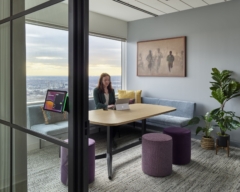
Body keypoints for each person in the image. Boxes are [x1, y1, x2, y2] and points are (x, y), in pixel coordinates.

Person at [93, 73, 117, 148]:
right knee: (112, 122)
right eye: (105, 80)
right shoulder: (96, 90)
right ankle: (111, 140)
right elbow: (97, 104)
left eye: (108, 80)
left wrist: (116, 104)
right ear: (101, 81)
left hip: (110, 112)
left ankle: (111, 139)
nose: (107, 81)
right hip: (100, 112)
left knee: (118, 121)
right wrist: (107, 106)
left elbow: (113, 102)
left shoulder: (112, 90)